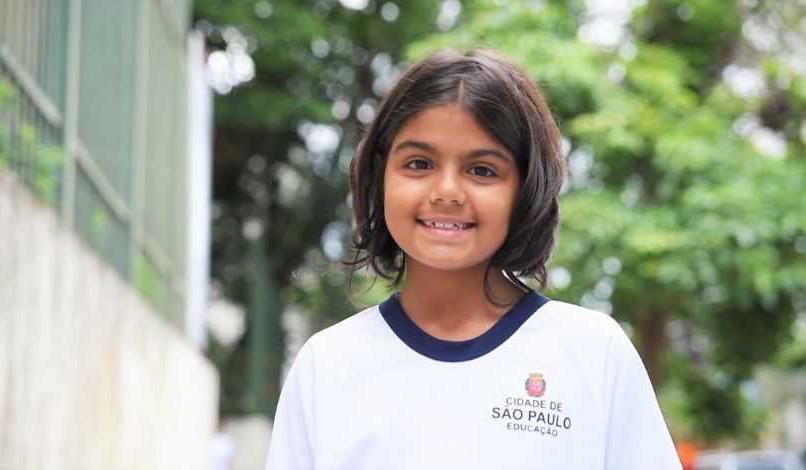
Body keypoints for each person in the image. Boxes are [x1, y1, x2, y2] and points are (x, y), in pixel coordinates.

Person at [265, 49, 681, 470]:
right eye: (419, 163)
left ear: (524, 188)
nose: (447, 191)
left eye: (481, 170)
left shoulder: (595, 354)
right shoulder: (327, 366)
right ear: (381, 172)